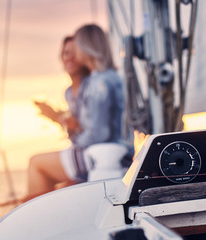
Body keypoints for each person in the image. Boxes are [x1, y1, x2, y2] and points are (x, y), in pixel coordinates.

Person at [27, 24, 133, 199]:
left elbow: (99, 133)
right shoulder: (104, 79)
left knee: (36, 164)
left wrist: (75, 137)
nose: (73, 54)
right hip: (107, 152)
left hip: (104, 155)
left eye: (76, 48)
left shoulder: (99, 82)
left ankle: (35, 221)